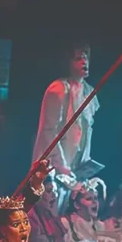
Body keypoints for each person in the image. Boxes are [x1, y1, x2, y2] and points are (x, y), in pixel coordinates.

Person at [32, 40, 100, 190]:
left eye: (86, 58)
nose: (84, 62)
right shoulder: (58, 89)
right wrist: (61, 165)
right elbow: (49, 130)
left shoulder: (89, 92)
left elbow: (86, 132)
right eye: (78, 58)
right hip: (53, 168)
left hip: (76, 169)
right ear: (67, 62)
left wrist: (84, 165)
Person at [61, 178, 105, 242]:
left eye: (95, 198)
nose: (94, 202)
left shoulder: (100, 226)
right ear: (77, 205)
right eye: (89, 199)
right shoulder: (67, 223)